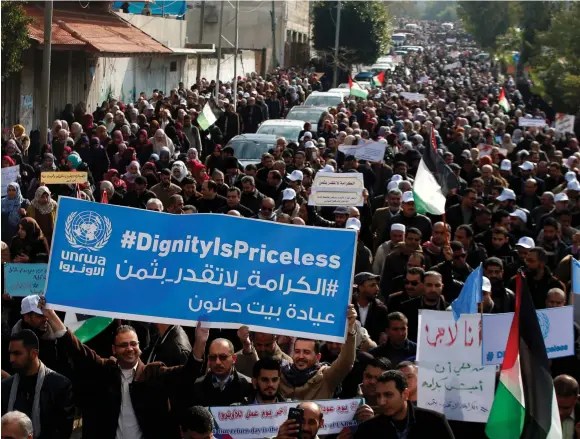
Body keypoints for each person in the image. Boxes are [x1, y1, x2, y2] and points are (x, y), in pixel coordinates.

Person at [39, 301, 206, 439]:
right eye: (124, 345)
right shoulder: (106, 370)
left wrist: (200, 342)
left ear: (140, 347)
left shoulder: (154, 373)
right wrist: (51, 315)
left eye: (133, 344)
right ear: (114, 349)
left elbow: (188, 373)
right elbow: (77, 350)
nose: (130, 349)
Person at [239, 305, 358, 400]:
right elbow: (258, 371)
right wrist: (247, 346)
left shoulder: (326, 377)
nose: (301, 356)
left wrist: (350, 331)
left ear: (318, 356)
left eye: (306, 352)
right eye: (297, 351)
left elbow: (346, 363)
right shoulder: (282, 373)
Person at [1, 330, 74, 439]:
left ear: (33, 354)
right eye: (10, 353)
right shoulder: (5, 387)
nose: (11, 359)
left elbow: (62, 432)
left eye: (17, 353)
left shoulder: (59, 385)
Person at [354, 370, 455, 438]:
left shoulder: (434, 422)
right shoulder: (368, 429)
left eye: (388, 395)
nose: (382, 402)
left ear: (405, 394)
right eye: (378, 396)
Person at [188, 337, 252, 407]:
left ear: (234, 358)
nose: (217, 362)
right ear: (208, 359)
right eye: (213, 357)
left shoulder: (248, 386)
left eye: (223, 357)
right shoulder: (197, 387)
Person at [400, 271, 449, 342]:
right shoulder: (406, 308)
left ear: (442, 287)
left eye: (437, 285)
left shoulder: (450, 311)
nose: (433, 289)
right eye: (429, 285)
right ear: (422, 286)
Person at [352, 272, 389, 343]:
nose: (377, 289)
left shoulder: (381, 309)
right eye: (372, 285)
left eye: (377, 285)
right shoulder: (347, 306)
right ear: (361, 288)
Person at [553, 375, 579, 439]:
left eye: (566, 408)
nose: (560, 412)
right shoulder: (536, 413)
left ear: (576, 400)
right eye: (557, 407)